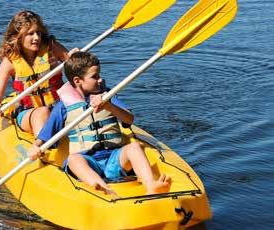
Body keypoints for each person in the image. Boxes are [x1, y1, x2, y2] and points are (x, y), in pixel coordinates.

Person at [28, 51, 171, 195]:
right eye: (94, 77)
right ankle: (105, 190)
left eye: (99, 75)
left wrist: (109, 106)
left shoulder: (108, 95)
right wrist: (36, 147)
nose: (100, 80)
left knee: (134, 147)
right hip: (88, 160)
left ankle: (150, 184)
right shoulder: (63, 106)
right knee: (73, 159)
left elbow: (129, 120)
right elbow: (46, 135)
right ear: (78, 81)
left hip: (113, 157)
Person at [0, 10, 74, 135]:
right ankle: (44, 148)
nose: (36, 38)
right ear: (18, 37)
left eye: (38, 32)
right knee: (42, 112)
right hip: (29, 112)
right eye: (30, 34)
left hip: (59, 107)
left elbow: (76, 66)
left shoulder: (52, 48)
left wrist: (76, 57)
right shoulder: (10, 62)